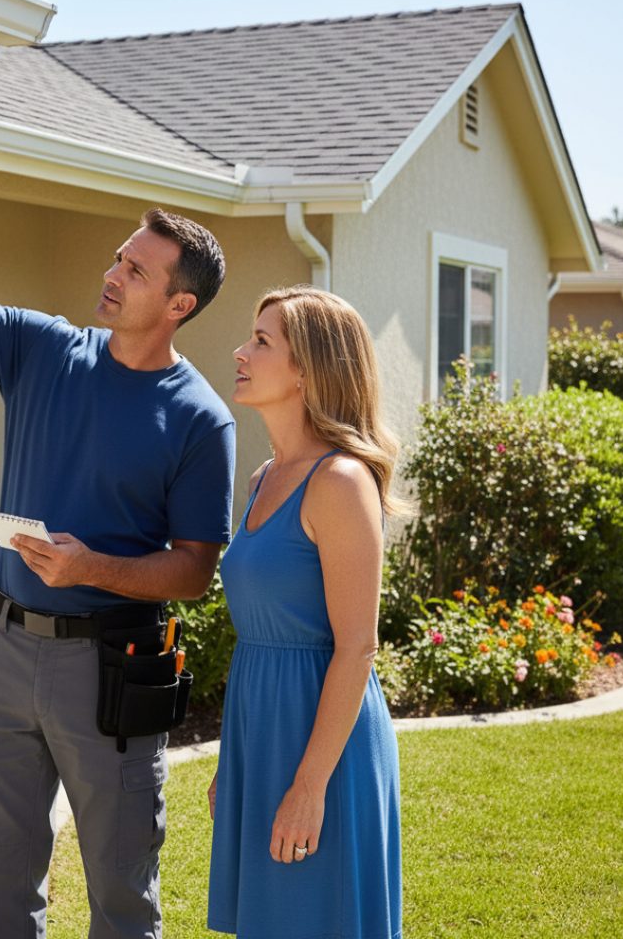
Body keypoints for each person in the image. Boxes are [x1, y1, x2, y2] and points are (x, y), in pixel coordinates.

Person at [0, 137, 236, 939]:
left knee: (121, 891)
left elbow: (195, 571)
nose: (114, 274)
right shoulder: (45, 349)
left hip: (108, 668)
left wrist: (88, 567)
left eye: (137, 271)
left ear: (180, 305)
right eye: (118, 258)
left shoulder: (201, 418)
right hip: (2, 648)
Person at [207, 285, 402, 939]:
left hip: (323, 743)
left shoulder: (340, 482)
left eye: (261, 342)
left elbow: (357, 648)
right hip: (262, 731)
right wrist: (232, 764)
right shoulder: (265, 476)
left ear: (306, 370)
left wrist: (310, 786)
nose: (241, 351)